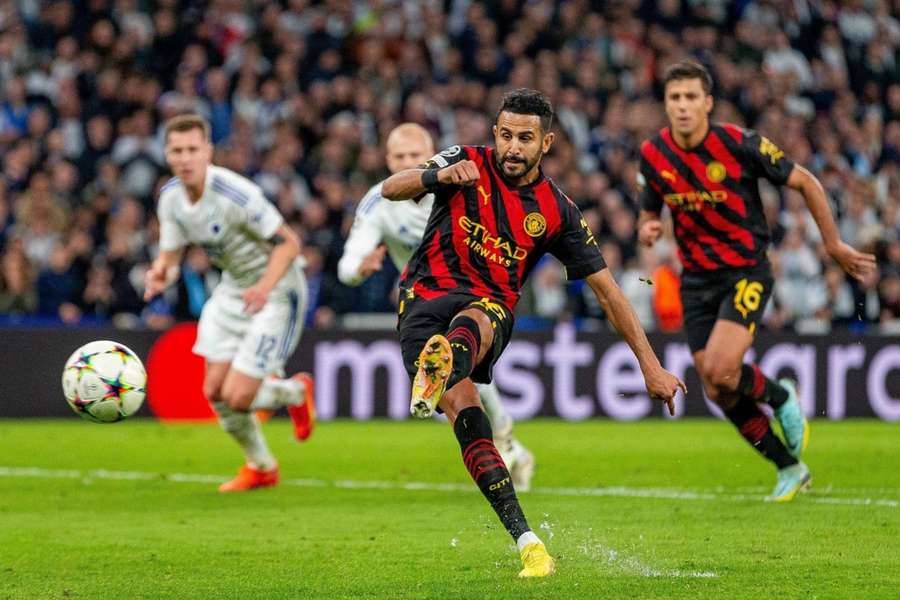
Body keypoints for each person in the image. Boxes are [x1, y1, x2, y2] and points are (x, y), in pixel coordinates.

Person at [381, 89, 685, 578]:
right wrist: (434, 174)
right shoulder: (463, 160)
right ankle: (530, 544)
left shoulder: (557, 211)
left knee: (476, 318)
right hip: (422, 303)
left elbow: (609, 293)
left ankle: (441, 364)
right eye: (505, 135)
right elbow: (390, 188)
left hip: (488, 313)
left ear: (547, 143)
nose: (512, 148)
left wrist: (651, 365)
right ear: (494, 133)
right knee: (469, 418)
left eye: (525, 138)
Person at [636, 60, 876, 502]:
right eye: (675, 98)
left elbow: (804, 182)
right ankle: (789, 467)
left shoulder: (738, 144)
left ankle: (781, 397)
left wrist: (835, 244)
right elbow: (649, 208)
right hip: (695, 282)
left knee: (723, 369)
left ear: (708, 103)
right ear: (666, 104)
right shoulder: (654, 154)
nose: (683, 106)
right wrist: (648, 226)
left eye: (691, 97)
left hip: (745, 271)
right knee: (714, 387)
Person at [337, 123, 537, 491]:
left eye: (416, 156)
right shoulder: (378, 201)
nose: (409, 163)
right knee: (449, 385)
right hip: (423, 304)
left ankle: (503, 446)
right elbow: (346, 264)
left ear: (434, 154)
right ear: (387, 160)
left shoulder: (461, 185)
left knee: (454, 375)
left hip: (473, 296)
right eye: (400, 157)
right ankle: (508, 446)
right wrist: (358, 270)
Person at [144, 114, 315, 492]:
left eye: (193, 149)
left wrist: (264, 288)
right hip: (233, 289)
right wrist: (160, 273)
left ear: (208, 152)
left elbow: (289, 243)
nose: (185, 158)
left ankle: (295, 393)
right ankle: (261, 466)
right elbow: (171, 257)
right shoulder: (171, 198)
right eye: (177, 151)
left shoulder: (236, 194)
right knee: (214, 392)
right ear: (167, 154)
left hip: (276, 289)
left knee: (239, 396)